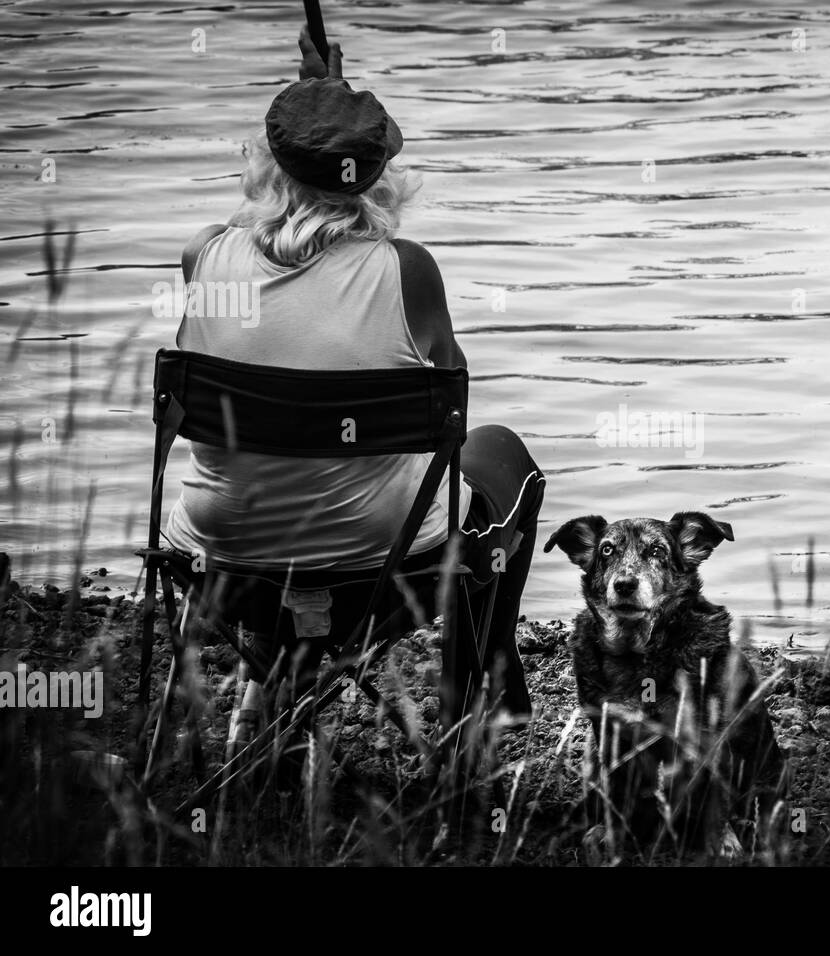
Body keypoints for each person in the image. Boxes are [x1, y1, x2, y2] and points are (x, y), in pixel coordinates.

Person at [164, 29, 544, 737]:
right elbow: (452, 398)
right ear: (376, 174)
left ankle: (271, 681)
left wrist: (314, 99)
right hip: (380, 573)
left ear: (267, 166)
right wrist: (326, 109)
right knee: (504, 454)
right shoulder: (407, 270)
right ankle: (483, 708)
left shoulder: (203, 258)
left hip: (226, 572)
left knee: (278, 468)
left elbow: (267, 239)